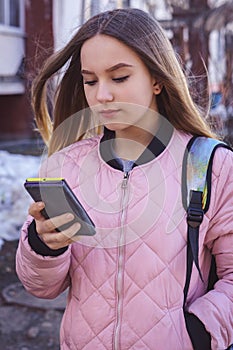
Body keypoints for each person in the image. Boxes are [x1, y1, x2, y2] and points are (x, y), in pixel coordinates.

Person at [15, 8, 233, 350]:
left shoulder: (210, 165)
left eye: (119, 78)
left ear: (157, 79)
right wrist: (45, 245)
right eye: (90, 80)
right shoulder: (65, 165)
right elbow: (41, 287)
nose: (102, 95)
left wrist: (199, 333)